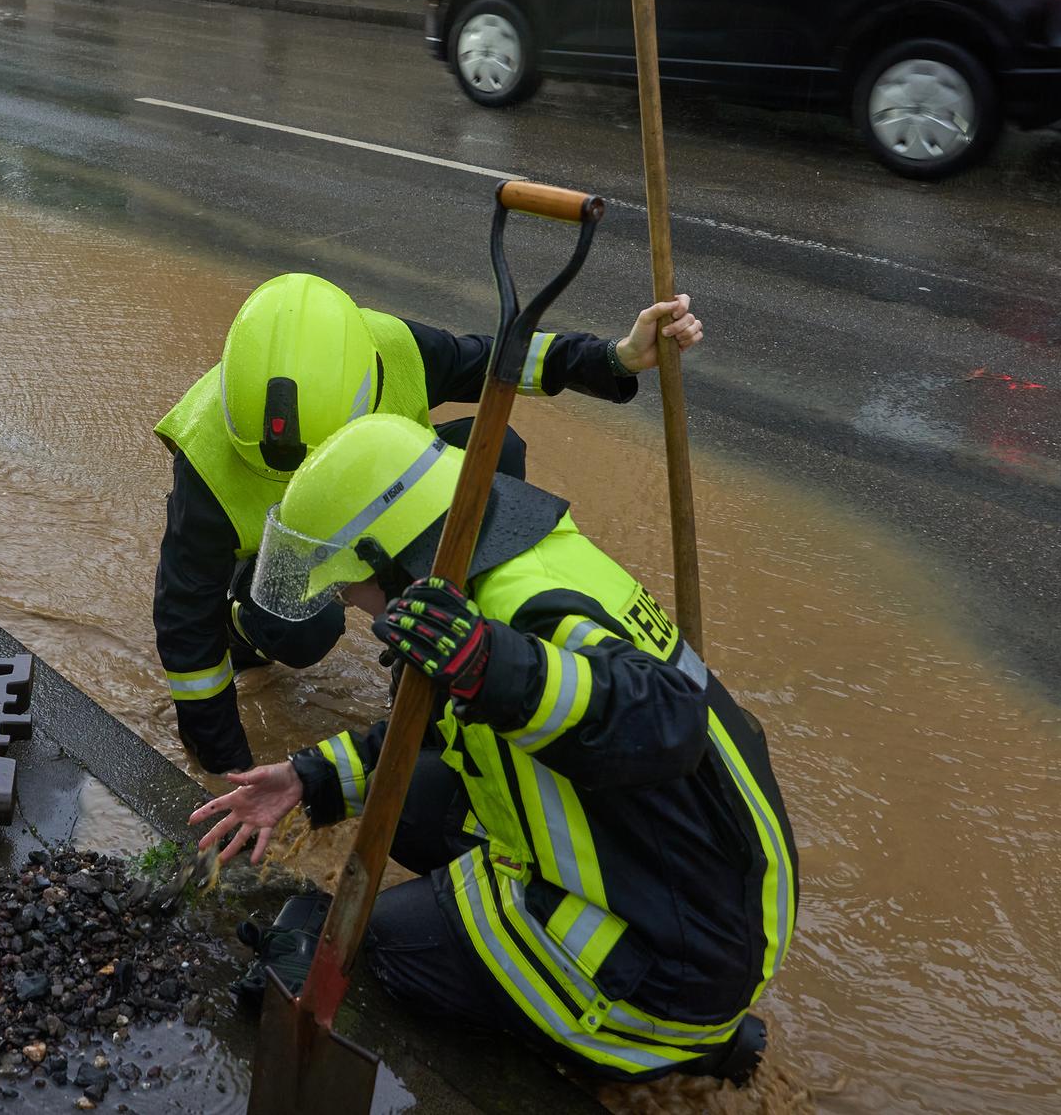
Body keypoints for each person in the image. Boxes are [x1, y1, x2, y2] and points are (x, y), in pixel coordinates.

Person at [191, 412, 794, 1083]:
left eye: (348, 585)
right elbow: (442, 726)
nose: (355, 606)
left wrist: (489, 663)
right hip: (691, 889)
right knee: (411, 807)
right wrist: (310, 778)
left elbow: (669, 722)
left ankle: (675, 1046)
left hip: (668, 962)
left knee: (380, 950)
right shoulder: (516, 559)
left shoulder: (523, 613)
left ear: (383, 556)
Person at [153, 273, 702, 774]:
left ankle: (451, 632)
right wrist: (226, 771)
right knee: (299, 631)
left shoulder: (390, 348)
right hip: (289, 549)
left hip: (387, 507)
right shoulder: (206, 460)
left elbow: (501, 363)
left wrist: (613, 356)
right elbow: (186, 626)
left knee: (496, 450)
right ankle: (247, 625)